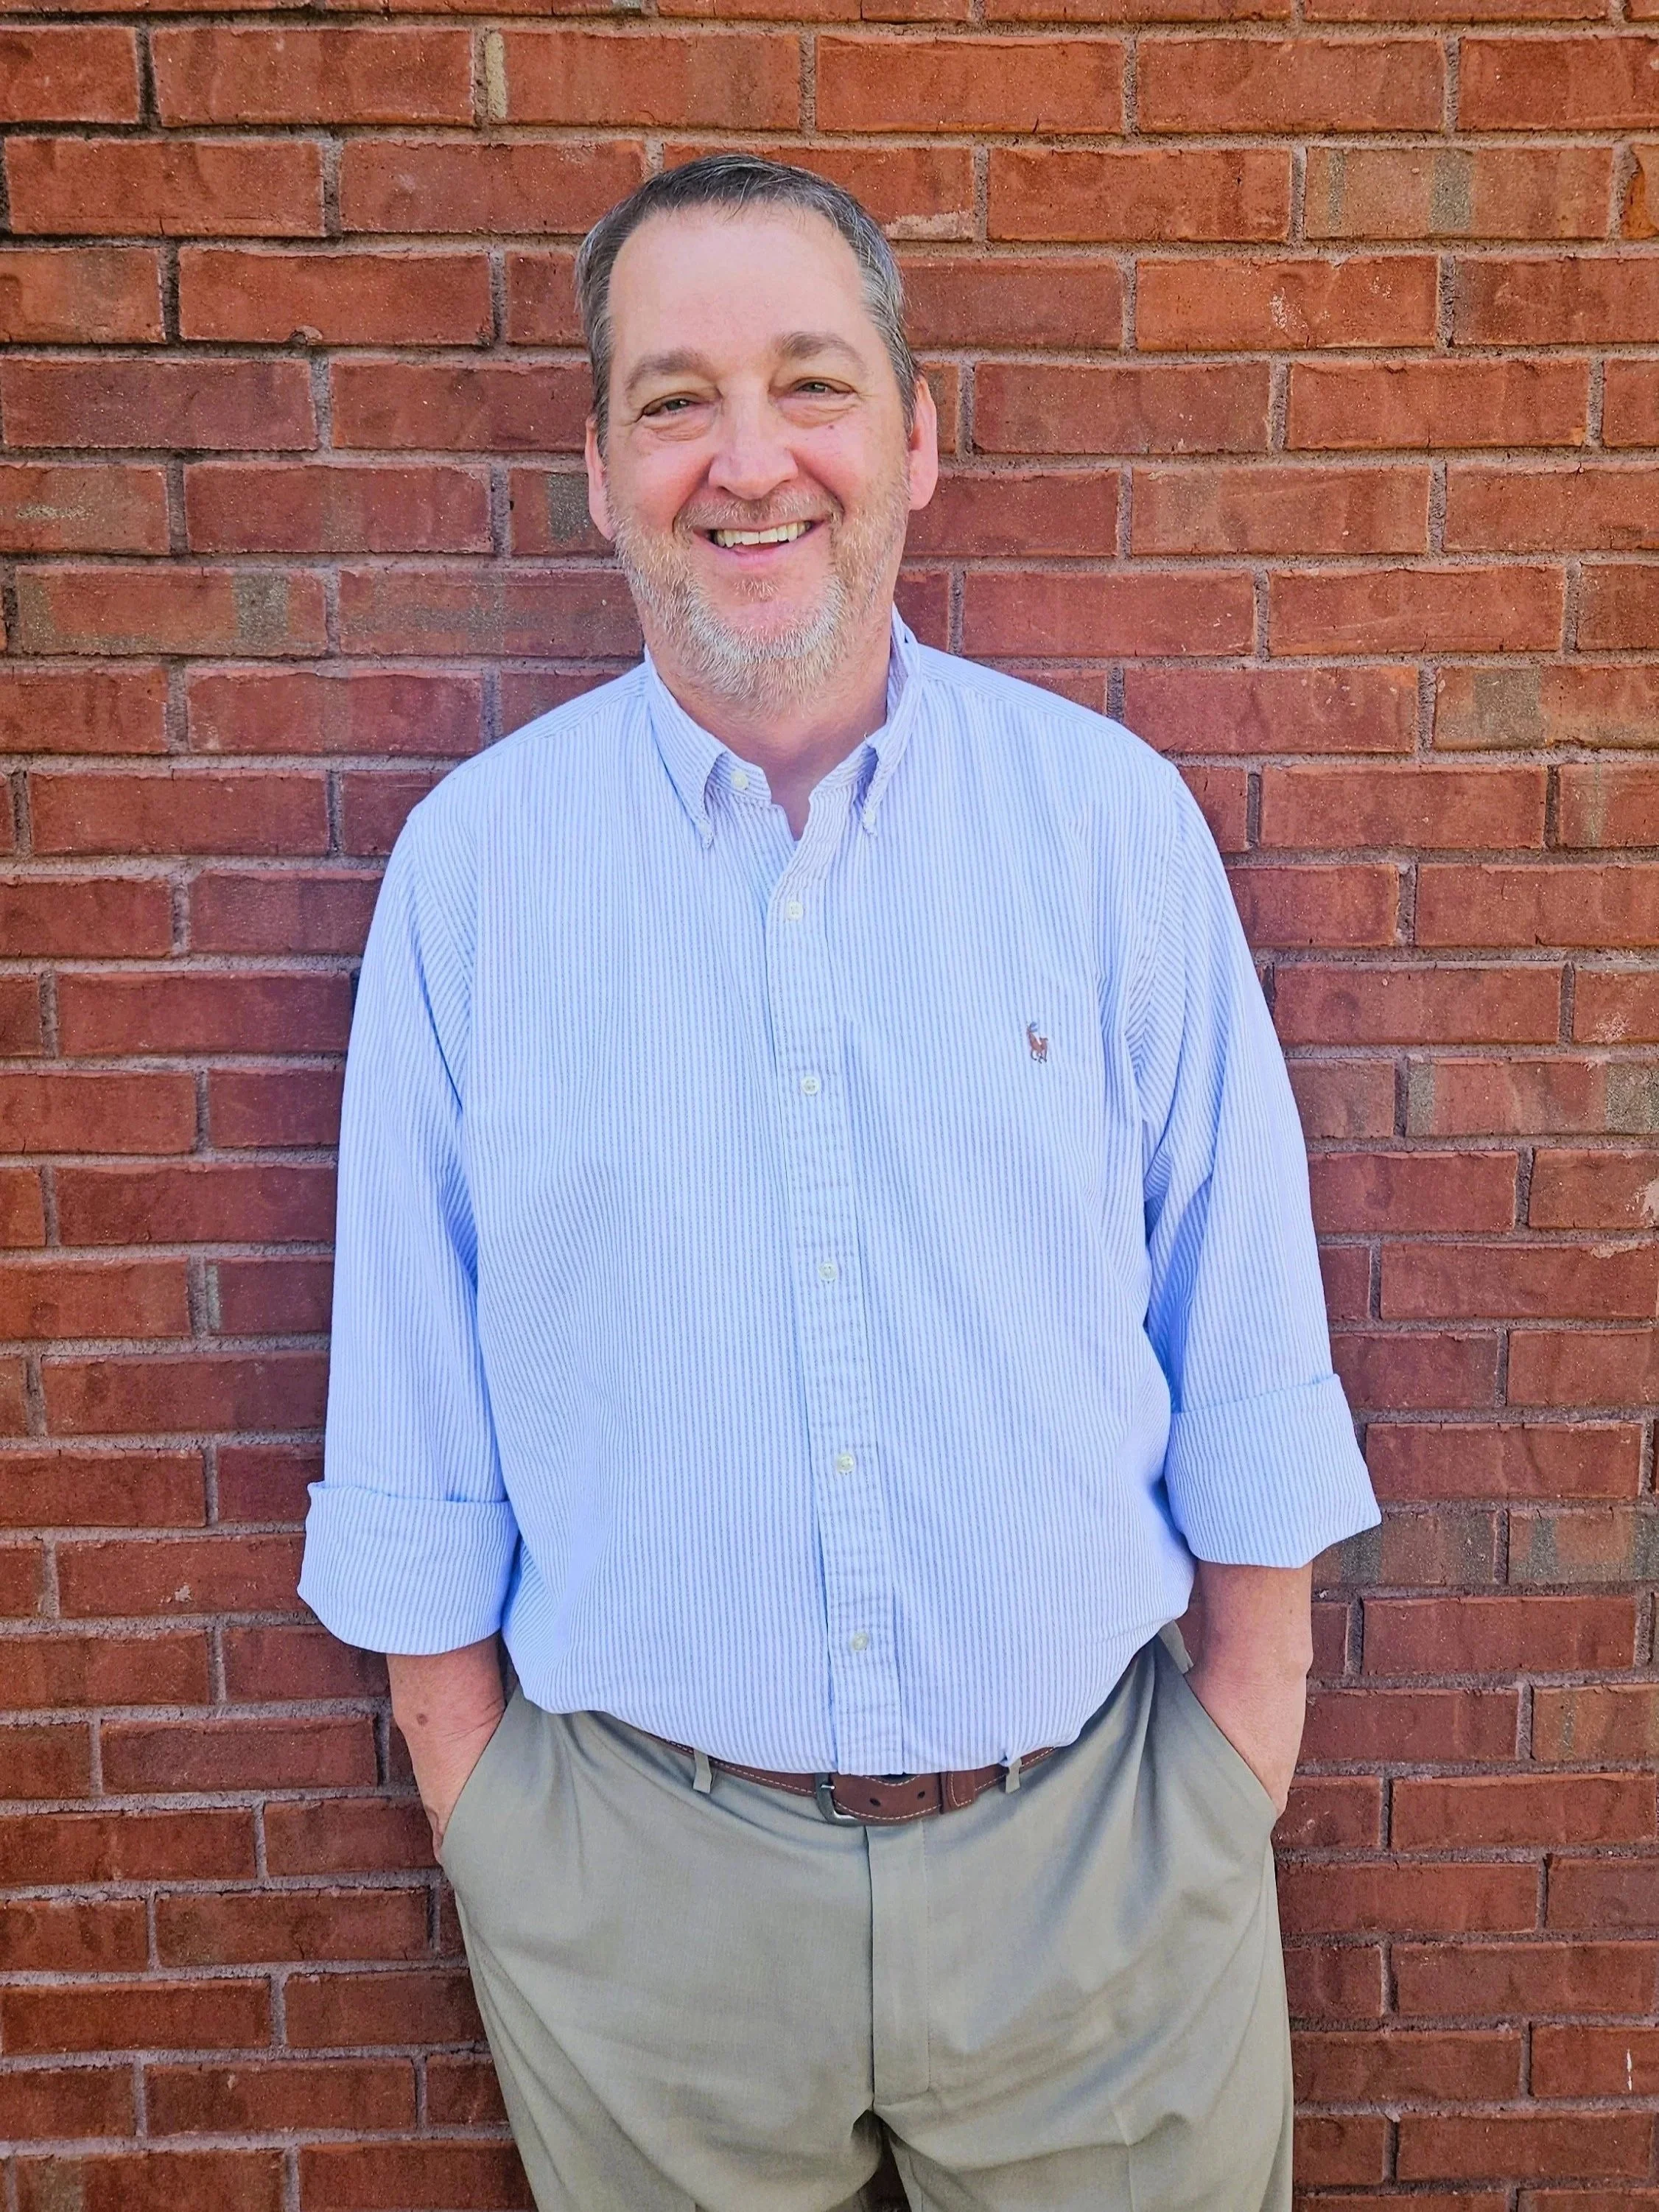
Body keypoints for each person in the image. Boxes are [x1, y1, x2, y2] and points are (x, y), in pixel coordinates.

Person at [298, 153, 1380, 2212]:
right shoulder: (479, 874)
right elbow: (411, 1384)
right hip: (639, 1902)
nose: (747, 461)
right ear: (599, 468)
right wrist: (487, 1803)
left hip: (1101, 1875)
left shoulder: (1101, 831)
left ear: (914, 440)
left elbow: (1232, 1311)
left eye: (808, 383)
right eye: (671, 399)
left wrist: (1235, 1760)